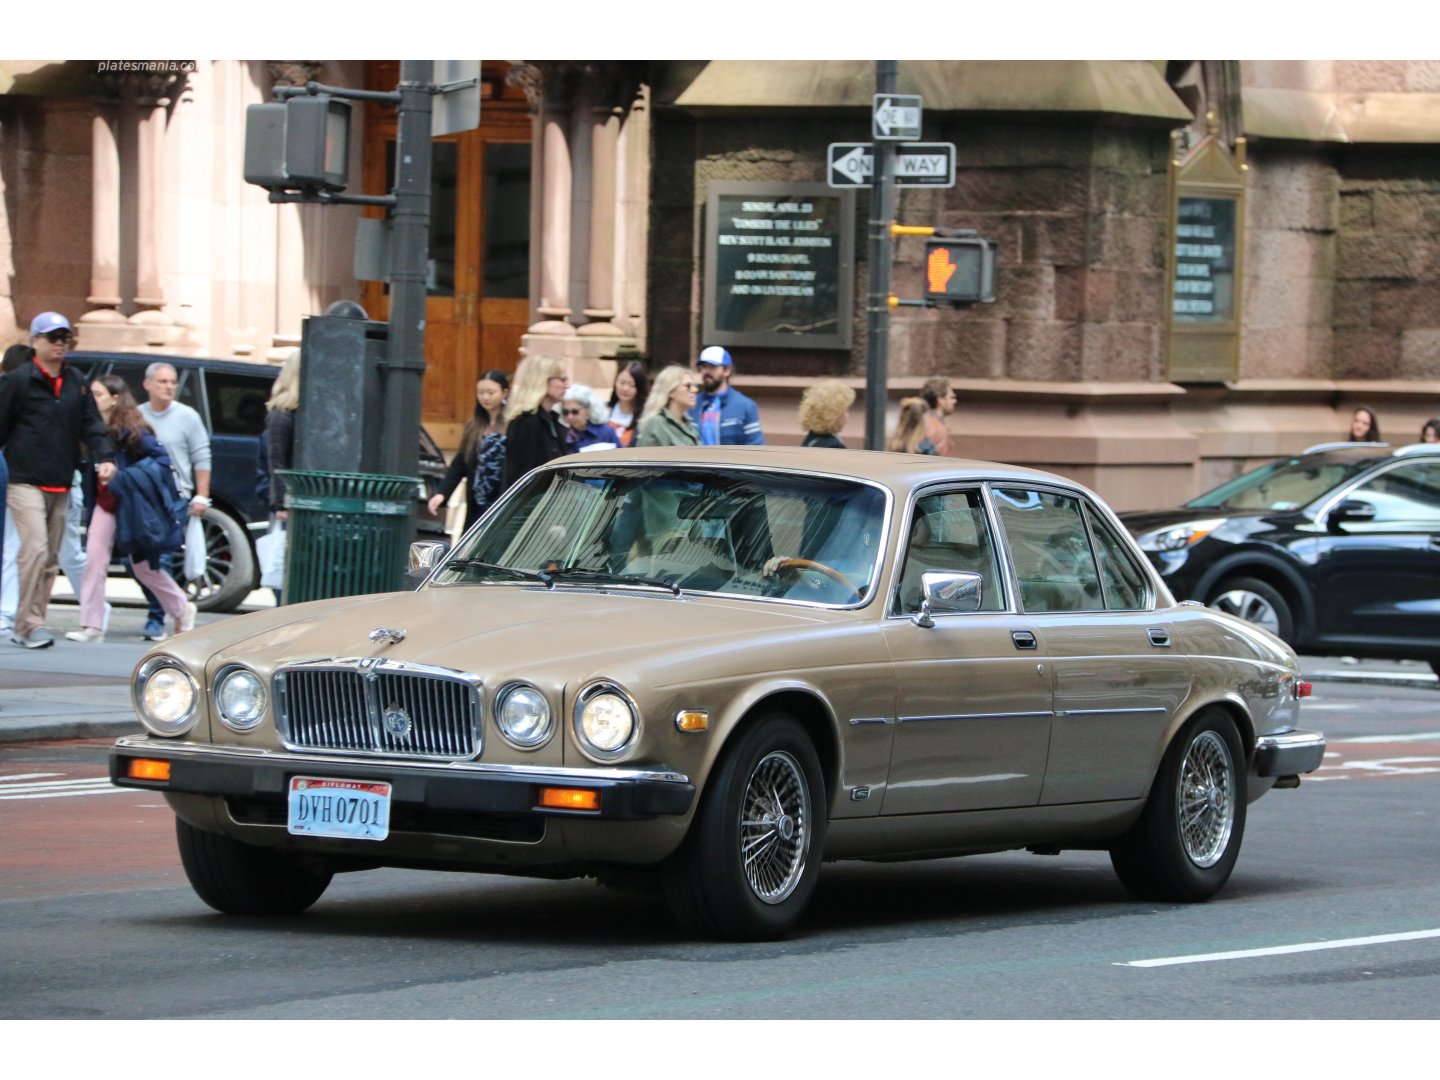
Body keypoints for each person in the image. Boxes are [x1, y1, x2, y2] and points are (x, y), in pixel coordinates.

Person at [0, 313, 116, 648]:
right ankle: (28, 624)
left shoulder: (77, 382)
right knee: (34, 548)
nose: (59, 344)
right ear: (35, 341)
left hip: (61, 481)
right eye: (53, 338)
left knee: (50, 557)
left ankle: (29, 624)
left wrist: (105, 458)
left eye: (64, 338)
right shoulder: (19, 381)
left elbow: (92, 424)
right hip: (23, 481)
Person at [66, 376, 195, 642]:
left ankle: (182, 608)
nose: (93, 399)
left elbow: (160, 460)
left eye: (99, 394)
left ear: (115, 398)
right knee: (94, 559)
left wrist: (122, 476)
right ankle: (92, 624)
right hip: (105, 502)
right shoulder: (92, 428)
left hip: (132, 503)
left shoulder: (133, 428)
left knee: (143, 567)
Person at [134, 361, 212, 641]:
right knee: (139, 560)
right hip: (143, 496)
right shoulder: (137, 415)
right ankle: (173, 609)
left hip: (176, 496)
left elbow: (202, 456)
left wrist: (201, 494)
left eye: (172, 382)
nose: (169, 387)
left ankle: (157, 618)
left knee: (162, 558)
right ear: (147, 384)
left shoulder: (187, 416)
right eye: (162, 381)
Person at [428, 370, 510, 533]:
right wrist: (443, 493)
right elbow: (461, 463)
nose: (485, 397)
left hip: (503, 497)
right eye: (480, 393)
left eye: (491, 392)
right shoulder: (474, 425)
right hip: (477, 499)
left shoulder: (513, 424)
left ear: (504, 393)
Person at [502, 355, 570, 491]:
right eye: (562, 380)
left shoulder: (552, 420)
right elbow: (522, 476)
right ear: (543, 380)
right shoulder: (525, 422)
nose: (567, 385)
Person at [691, 346, 763, 445]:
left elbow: (755, 446)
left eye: (712, 366)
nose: (706, 371)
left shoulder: (745, 406)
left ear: (727, 371)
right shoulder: (692, 403)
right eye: (703, 366)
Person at [636, 366, 701, 447]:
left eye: (694, 385)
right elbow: (644, 458)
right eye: (688, 386)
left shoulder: (690, 425)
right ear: (671, 392)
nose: (695, 390)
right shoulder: (656, 424)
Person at [561, 384, 622, 453]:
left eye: (575, 412)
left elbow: (622, 458)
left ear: (588, 408)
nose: (570, 416)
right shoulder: (563, 435)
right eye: (565, 412)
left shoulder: (606, 432)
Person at [799, 380, 855, 448]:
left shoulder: (811, 439)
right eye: (845, 411)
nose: (847, 415)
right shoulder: (833, 446)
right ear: (833, 416)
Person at [607, 361, 649, 447]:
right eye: (622, 383)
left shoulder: (646, 417)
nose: (625, 388)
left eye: (631, 385)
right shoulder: (604, 411)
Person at [920, 375, 956, 456]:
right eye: (951, 397)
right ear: (940, 400)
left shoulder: (925, 421)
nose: (954, 401)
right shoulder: (935, 427)